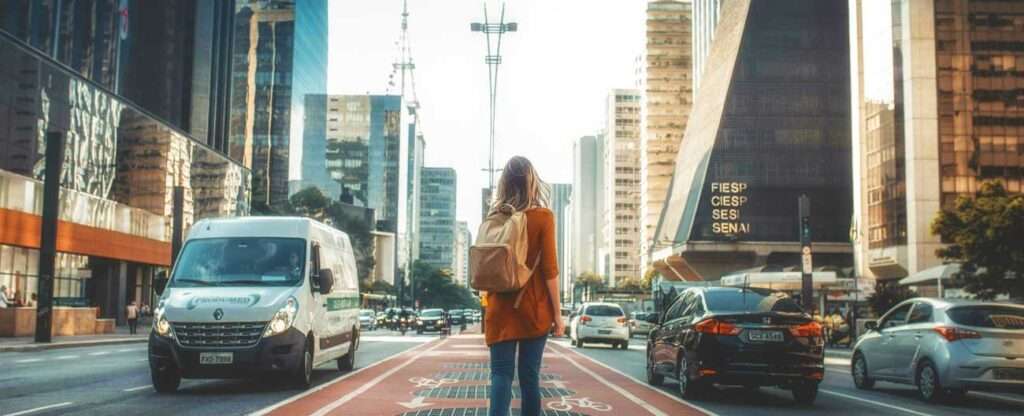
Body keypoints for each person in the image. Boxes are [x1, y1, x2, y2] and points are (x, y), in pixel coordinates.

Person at [485, 156, 564, 416]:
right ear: (532, 182)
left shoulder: (495, 218)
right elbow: (550, 270)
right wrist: (558, 315)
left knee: (500, 375)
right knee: (530, 378)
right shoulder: (543, 217)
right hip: (534, 309)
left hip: (499, 310)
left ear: (504, 183)